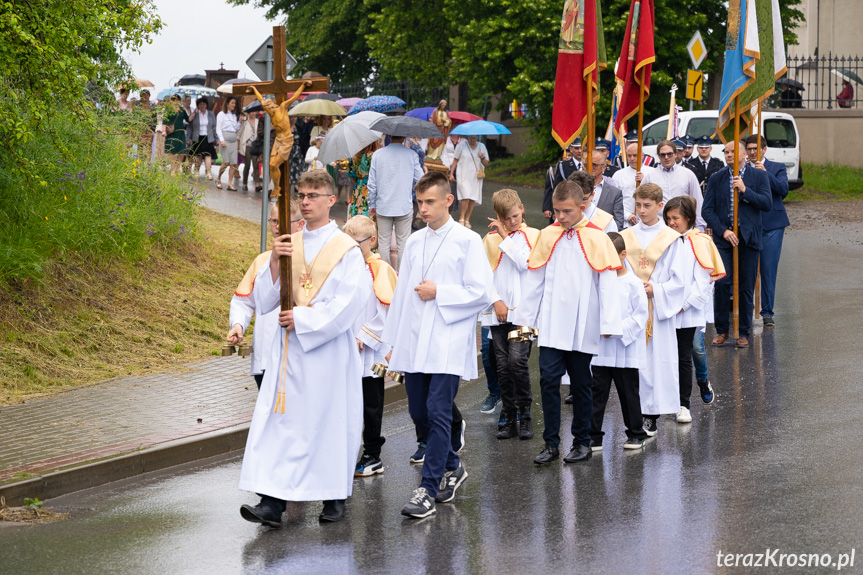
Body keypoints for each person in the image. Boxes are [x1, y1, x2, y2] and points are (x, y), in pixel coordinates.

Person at [238, 170, 371, 527]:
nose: (306, 201)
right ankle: (272, 502)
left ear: (331, 200)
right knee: (282, 423)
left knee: (327, 422)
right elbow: (265, 300)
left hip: (327, 352)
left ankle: (333, 497)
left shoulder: (347, 249)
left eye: (314, 195)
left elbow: (350, 303)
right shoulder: (288, 244)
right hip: (289, 354)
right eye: (301, 195)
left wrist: (304, 319)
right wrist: (274, 262)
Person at [383, 171, 492, 519]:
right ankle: (453, 465)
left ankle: (427, 490)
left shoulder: (467, 240)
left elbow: (482, 293)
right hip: (415, 341)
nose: (423, 209)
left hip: (446, 340)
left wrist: (439, 293)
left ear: (449, 200)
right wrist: (391, 341)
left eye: (430, 202)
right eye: (419, 202)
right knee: (418, 412)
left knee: (438, 411)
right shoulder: (414, 241)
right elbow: (401, 294)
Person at [511, 173, 622, 465]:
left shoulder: (597, 236)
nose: (560, 216)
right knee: (548, 379)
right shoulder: (548, 235)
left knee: (582, 383)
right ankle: (550, 443)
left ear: (582, 207)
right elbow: (535, 278)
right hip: (552, 322)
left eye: (567, 211)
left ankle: (582, 441)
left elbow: (608, 282)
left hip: (583, 321)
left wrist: (609, 323)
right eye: (557, 210)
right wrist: (525, 319)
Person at [619, 183, 686, 436]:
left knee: (655, 362)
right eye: (638, 205)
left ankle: (651, 414)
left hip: (657, 310)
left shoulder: (671, 239)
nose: (642, 210)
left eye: (647, 206)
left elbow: (679, 280)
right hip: (633, 309)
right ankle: (635, 413)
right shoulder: (626, 236)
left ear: (659, 206)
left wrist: (655, 290)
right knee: (634, 364)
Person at [227, 200, 305, 390]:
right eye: (274, 221)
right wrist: (238, 325)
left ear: (301, 224)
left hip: (297, 355)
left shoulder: (311, 260)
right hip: (266, 353)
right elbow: (244, 301)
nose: (278, 227)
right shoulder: (262, 261)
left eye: (284, 222)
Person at [481, 189, 540, 440]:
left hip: (524, 312)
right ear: (498, 216)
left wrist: (506, 237)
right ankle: (508, 413)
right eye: (506, 218)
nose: (512, 221)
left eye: (515, 215)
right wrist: (496, 301)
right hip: (498, 311)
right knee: (502, 366)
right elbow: (483, 275)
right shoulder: (489, 240)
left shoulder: (533, 236)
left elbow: (525, 263)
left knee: (517, 362)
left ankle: (525, 414)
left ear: (522, 209)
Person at [702, 141, 772, 348]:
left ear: (744, 153)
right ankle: (722, 330)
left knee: (746, 286)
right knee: (723, 283)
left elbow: (767, 203)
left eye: (733, 151)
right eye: (726, 151)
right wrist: (723, 230)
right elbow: (707, 210)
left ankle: (743, 332)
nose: (729, 154)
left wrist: (745, 190)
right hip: (725, 239)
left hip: (749, 238)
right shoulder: (717, 178)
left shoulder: (758, 176)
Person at [343, 215, 398, 478]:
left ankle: (373, 454)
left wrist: (364, 337)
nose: (351, 248)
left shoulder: (380, 268)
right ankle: (346, 451)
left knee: (371, 404)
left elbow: (386, 310)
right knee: (348, 403)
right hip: (347, 347)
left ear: (372, 240)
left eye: (357, 243)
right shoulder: (345, 267)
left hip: (372, 352)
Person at [663, 196, 725, 423]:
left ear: (688, 218)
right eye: (668, 218)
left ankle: (698, 387)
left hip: (690, 309)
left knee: (693, 350)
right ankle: (675, 400)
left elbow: (704, 281)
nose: (671, 223)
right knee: (673, 354)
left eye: (675, 218)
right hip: (668, 308)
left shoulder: (700, 241)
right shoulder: (665, 239)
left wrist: (683, 305)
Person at [589, 231, 649, 450]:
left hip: (625, 349)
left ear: (623, 254)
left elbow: (641, 315)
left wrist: (616, 329)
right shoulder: (596, 281)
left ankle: (635, 433)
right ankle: (593, 435)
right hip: (602, 349)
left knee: (628, 393)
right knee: (597, 393)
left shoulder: (633, 283)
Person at [744, 135, 789, 327]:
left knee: (768, 269)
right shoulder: (743, 168)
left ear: (764, 149)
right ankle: (744, 311)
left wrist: (765, 173)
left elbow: (783, 190)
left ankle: (767, 312)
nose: (752, 152)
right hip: (750, 224)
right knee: (747, 269)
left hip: (772, 224)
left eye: (756, 148)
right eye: (749, 149)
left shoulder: (777, 167)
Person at [367, 135, 424, 270]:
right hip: (404, 204)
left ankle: (386, 274)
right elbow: (420, 179)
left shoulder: (378, 155)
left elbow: (372, 184)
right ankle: (401, 274)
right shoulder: (411, 155)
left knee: (383, 242)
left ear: (389, 136)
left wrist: (371, 204)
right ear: (404, 136)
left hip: (383, 204)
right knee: (403, 242)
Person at [643, 139, 706, 230]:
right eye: (663, 155)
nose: (666, 157)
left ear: (675, 154)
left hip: (683, 226)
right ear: (658, 156)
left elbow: (698, 201)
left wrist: (700, 227)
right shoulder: (649, 177)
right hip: (658, 226)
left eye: (669, 154)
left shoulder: (688, 174)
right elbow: (643, 202)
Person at [612, 142, 656, 228]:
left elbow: (656, 196)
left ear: (642, 156)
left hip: (649, 222)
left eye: (635, 155)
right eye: (629, 156)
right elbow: (614, 200)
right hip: (626, 222)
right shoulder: (618, 175)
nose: (632, 159)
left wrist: (644, 181)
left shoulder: (653, 173)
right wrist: (627, 216)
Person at [449, 135, 489, 229]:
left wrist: (482, 157)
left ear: (477, 138)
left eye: (474, 138)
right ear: (468, 137)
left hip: (476, 177)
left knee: (472, 198)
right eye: (471, 138)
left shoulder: (482, 146)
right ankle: (461, 218)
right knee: (465, 196)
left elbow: (486, 163)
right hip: (463, 175)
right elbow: (455, 160)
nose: (472, 140)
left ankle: (467, 219)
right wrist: (451, 174)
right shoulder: (462, 145)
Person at [543, 139, 584, 222]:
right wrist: (552, 209)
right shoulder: (563, 166)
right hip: (567, 205)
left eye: (581, 148)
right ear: (571, 150)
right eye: (576, 148)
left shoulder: (590, 164)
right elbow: (556, 189)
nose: (579, 151)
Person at [588, 149, 624, 230]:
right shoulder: (577, 188)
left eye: (594, 164)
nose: (591, 167)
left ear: (603, 167)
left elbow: (618, 222)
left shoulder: (615, 193)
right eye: (588, 164)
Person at [187, 98, 218, 180]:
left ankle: (208, 172)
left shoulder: (211, 114)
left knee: (208, 155)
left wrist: (216, 139)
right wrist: (188, 138)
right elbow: (190, 126)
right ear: (198, 106)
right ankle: (196, 171)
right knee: (198, 156)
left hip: (208, 137)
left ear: (206, 105)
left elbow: (214, 127)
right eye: (200, 104)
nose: (202, 106)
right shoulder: (196, 114)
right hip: (198, 137)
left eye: (204, 104)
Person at [216, 97, 242, 190]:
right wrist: (222, 140)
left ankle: (229, 183)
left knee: (233, 163)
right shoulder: (221, 114)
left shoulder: (234, 116)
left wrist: (239, 122)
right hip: (225, 139)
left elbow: (235, 129)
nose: (234, 105)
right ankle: (218, 178)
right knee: (226, 162)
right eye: (232, 103)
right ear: (227, 103)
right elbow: (218, 129)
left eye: (235, 103)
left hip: (233, 140)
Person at [347, 143, 376, 217]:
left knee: (356, 211)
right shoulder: (374, 156)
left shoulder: (355, 156)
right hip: (370, 187)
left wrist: (359, 182)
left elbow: (351, 174)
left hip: (358, 186)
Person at [163, 95, 188, 176]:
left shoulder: (182, 110)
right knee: (172, 151)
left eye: (178, 100)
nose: (176, 101)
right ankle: (173, 169)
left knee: (182, 151)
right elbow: (164, 121)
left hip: (181, 132)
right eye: (174, 100)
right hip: (172, 132)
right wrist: (164, 131)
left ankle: (178, 167)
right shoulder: (168, 110)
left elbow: (188, 119)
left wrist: (194, 112)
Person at [237, 109, 257, 191]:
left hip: (255, 146)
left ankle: (257, 183)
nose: (253, 113)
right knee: (247, 165)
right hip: (246, 146)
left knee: (256, 165)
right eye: (251, 112)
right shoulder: (245, 122)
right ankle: (245, 183)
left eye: (254, 111)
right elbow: (239, 134)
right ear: (248, 113)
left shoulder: (258, 122)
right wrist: (238, 146)